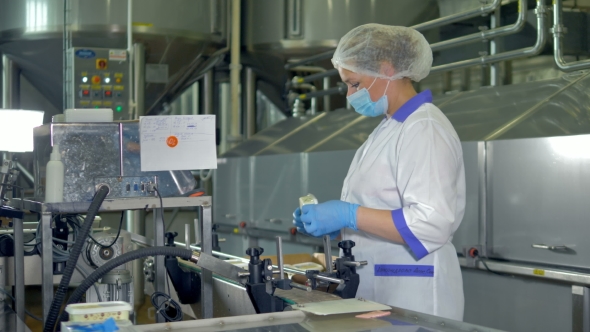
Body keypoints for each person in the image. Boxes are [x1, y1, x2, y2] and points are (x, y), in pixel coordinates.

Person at [293, 24, 466, 321]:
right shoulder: (391, 127)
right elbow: (383, 207)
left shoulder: (423, 128)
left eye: (355, 83)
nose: (349, 95)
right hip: (387, 290)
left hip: (416, 296)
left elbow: (431, 223)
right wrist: (342, 227)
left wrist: (348, 214)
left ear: (387, 70)